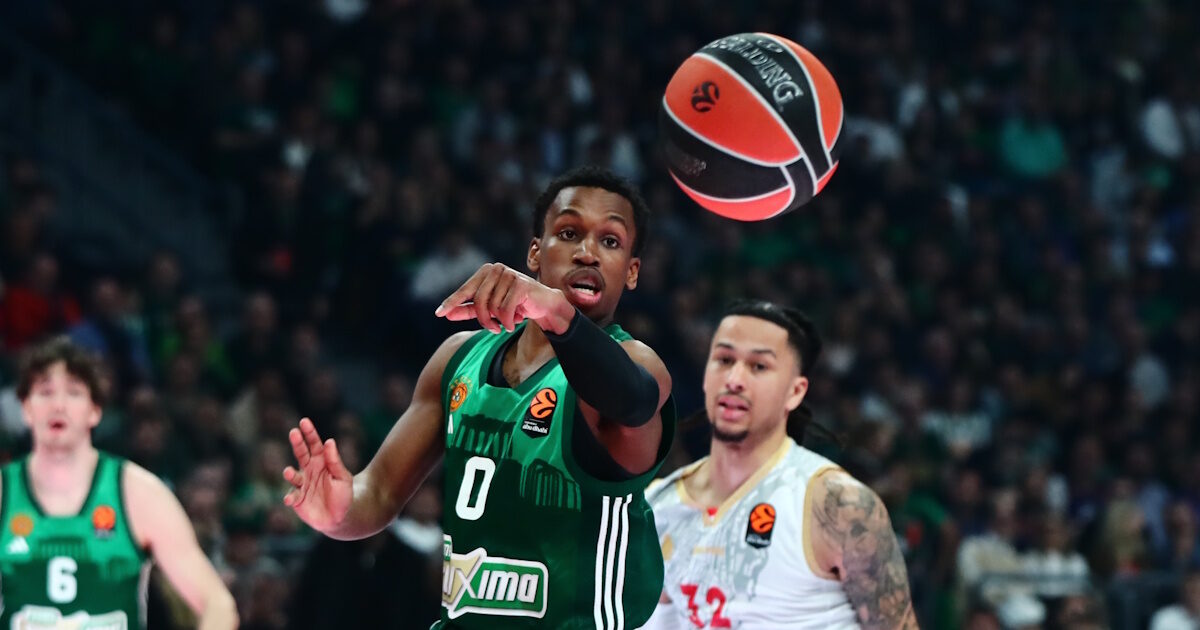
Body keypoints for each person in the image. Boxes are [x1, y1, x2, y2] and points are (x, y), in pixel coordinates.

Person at [283, 165, 676, 628]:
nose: (587, 252)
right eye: (569, 233)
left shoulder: (637, 364)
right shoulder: (459, 358)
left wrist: (557, 315)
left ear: (631, 272)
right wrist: (339, 513)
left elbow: (632, 402)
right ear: (535, 252)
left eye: (610, 241)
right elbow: (381, 491)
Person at [643, 300, 918, 629]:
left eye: (759, 366)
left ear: (795, 392)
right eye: (725, 360)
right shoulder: (656, 505)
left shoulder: (837, 505)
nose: (735, 379)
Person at [0, 336, 237, 629]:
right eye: (45, 392)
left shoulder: (138, 493)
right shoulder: (4, 491)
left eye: (73, 392)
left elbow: (218, 604)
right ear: (25, 408)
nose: (58, 405)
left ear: (95, 410)